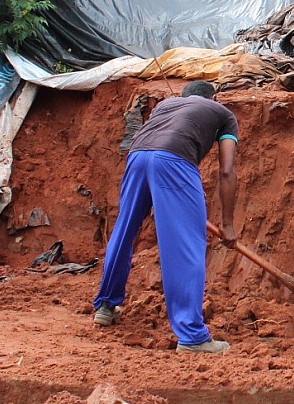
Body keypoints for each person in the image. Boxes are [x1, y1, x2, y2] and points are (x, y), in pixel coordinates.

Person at [91, 80, 239, 354]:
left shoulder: (166, 105)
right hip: (174, 160)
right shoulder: (223, 114)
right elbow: (227, 170)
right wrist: (228, 225)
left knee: (124, 231)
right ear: (214, 97)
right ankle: (192, 336)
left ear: (183, 97)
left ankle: (106, 306)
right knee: (186, 245)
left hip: (137, 158)